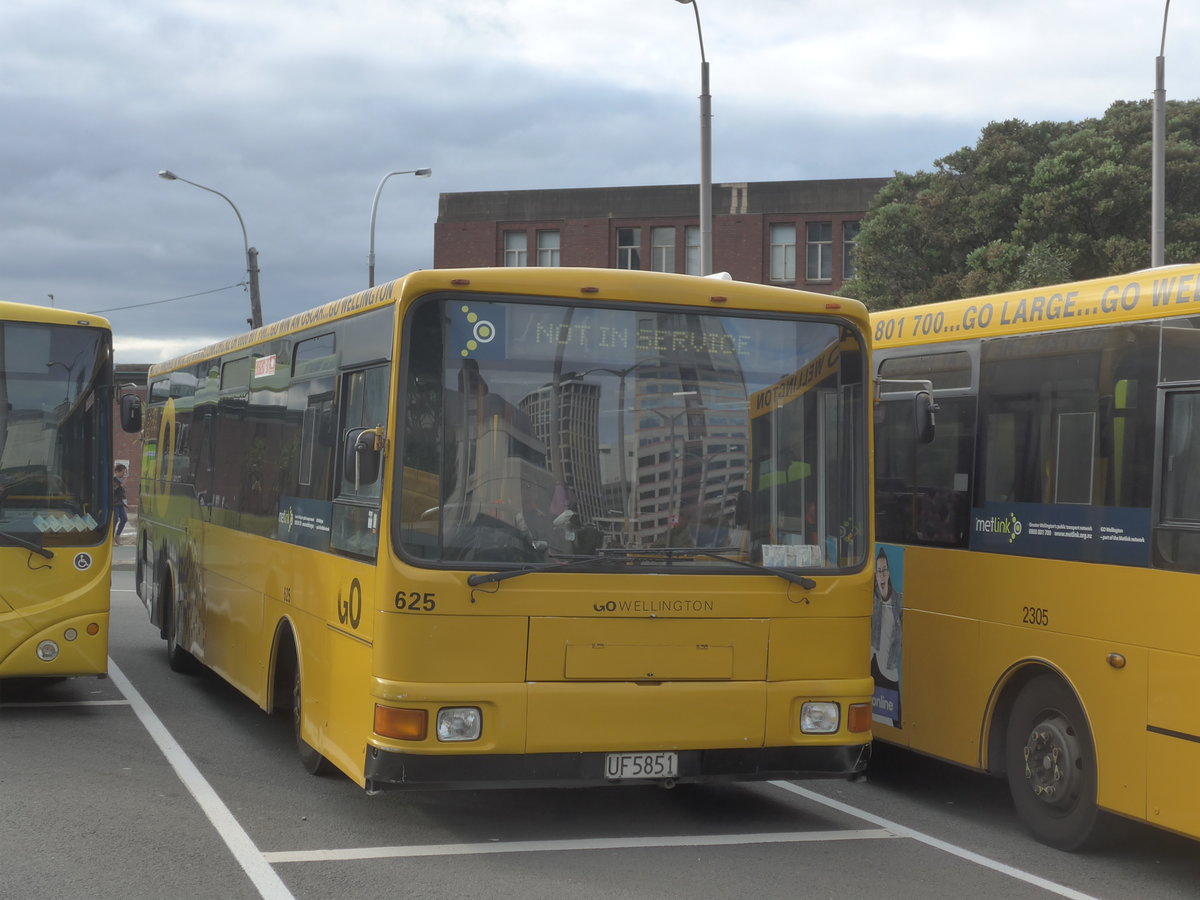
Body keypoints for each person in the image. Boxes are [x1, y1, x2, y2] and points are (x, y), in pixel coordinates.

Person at [112, 464, 128, 542]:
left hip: (120, 503)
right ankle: (111, 536)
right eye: (122, 472)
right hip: (114, 503)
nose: (123, 474)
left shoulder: (121, 481)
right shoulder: (113, 480)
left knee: (124, 519)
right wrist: (121, 485)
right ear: (117, 472)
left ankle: (117, 536)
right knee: (115, 519)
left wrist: (125, 502)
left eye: (124, 473)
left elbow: (122, 493)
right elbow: (114, 491)